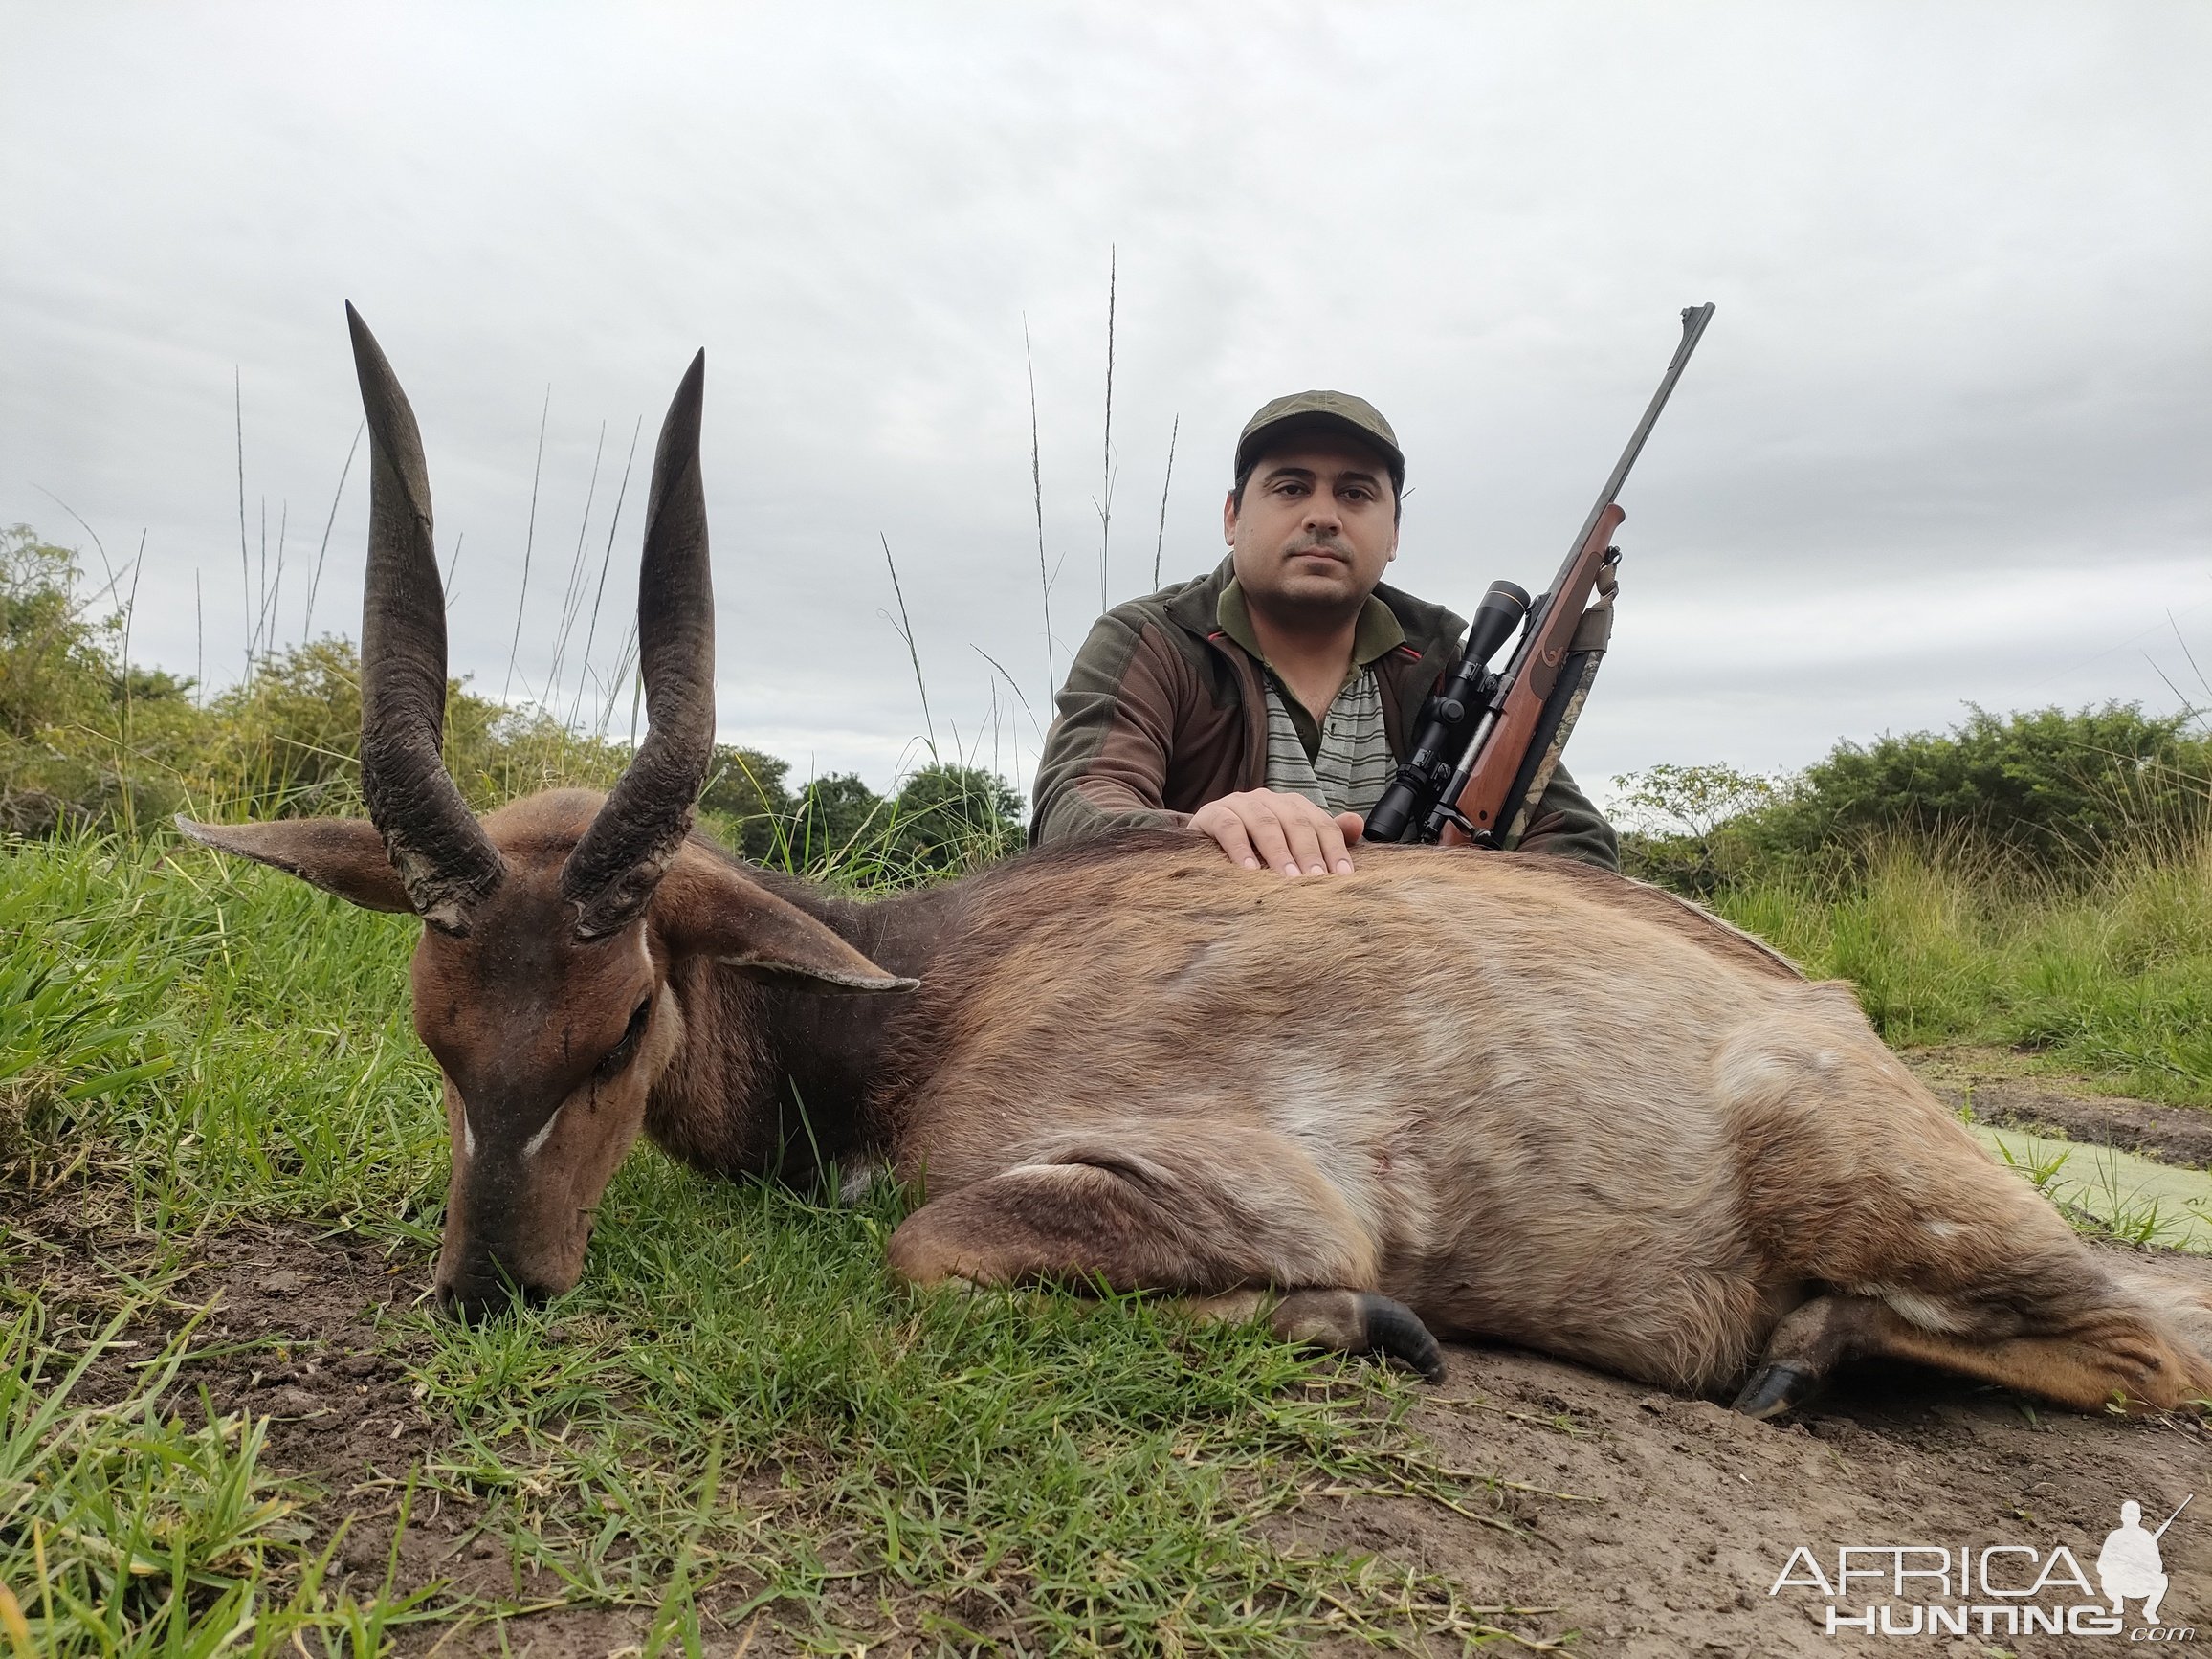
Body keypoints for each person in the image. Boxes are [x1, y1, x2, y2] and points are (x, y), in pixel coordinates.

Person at [1029, 389, 1617, 874]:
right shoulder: (1149, 640)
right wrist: (1206, 833)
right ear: (1232, 516)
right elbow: (1077, 807)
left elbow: (1578, 844)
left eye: (1355, 493)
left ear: (1393, 533)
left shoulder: (1443, 669)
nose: (1322, 515)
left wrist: (1464, 899)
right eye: (1290, 488)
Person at [2095, 1501, 2170, 1624]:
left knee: (2162, 1579)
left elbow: (2157, 1566)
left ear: (2139, 1518)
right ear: (2122, 1517)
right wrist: (2120, 1565)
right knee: (2106, 1577)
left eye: (2133, 1516)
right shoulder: (2115, 1536)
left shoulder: (2146, 1537)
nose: (2130, 1519)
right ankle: (2118, 1602)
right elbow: (2102, 1564)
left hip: (2139, 1583)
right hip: (2118, 1583)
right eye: (2128, 1516)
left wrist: (2141, 1563)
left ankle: (2149, 1611)